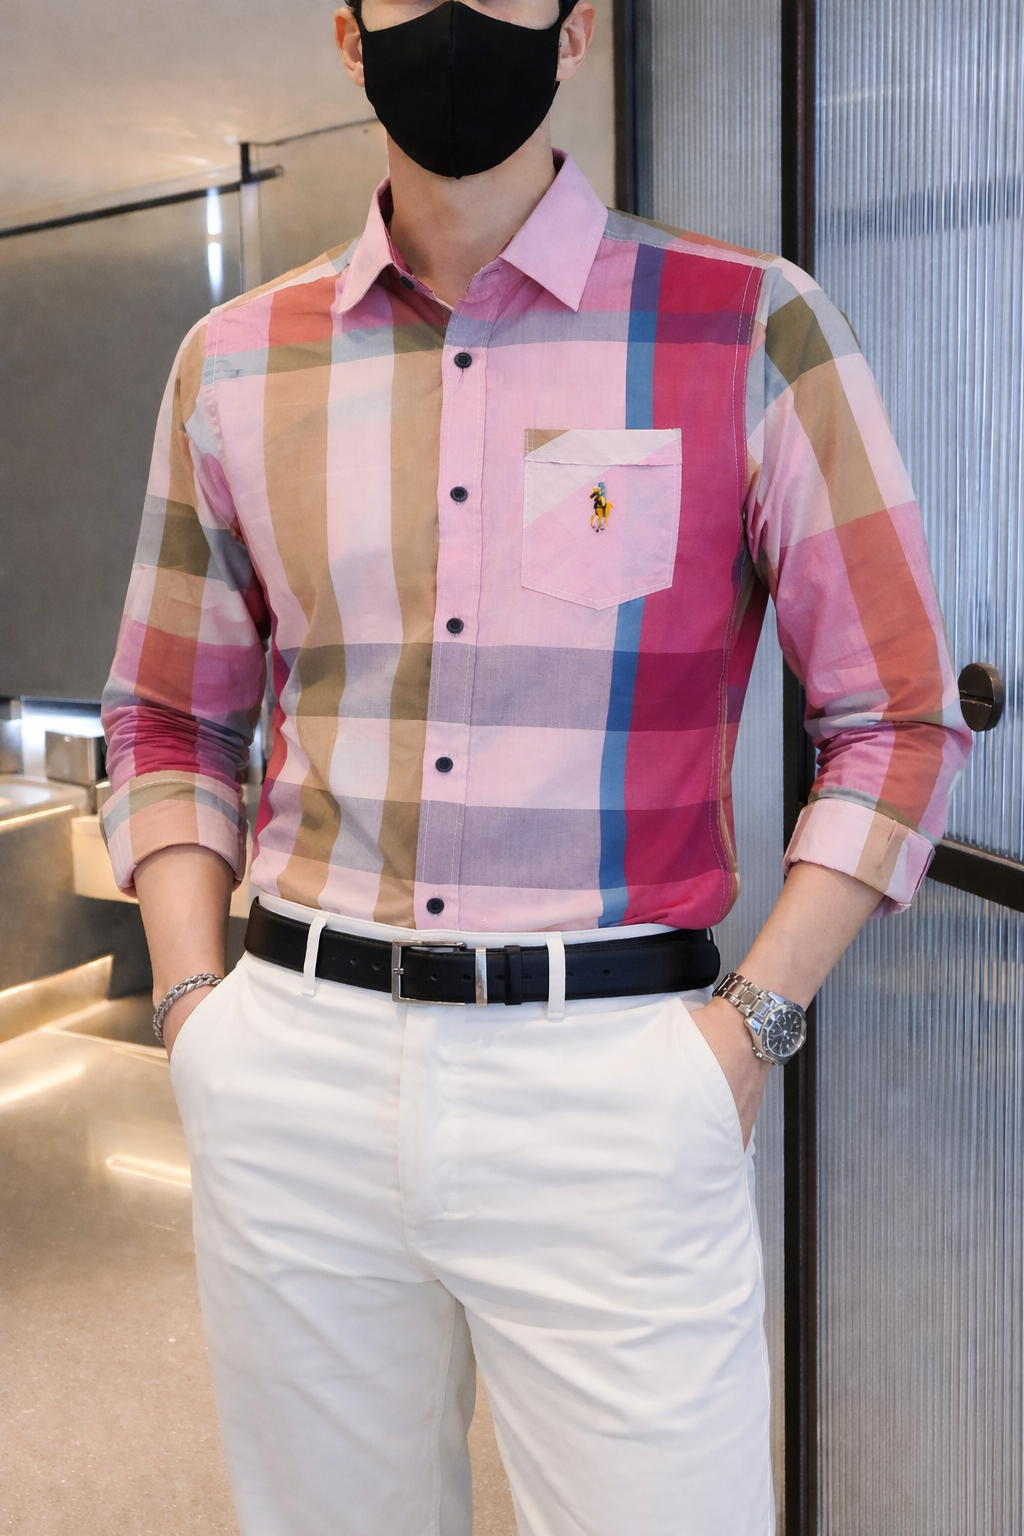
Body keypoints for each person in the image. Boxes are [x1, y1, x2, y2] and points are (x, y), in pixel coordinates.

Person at [100, 2, 972, 1532]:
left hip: (615, 1078)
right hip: (295, 1060)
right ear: (348, 35)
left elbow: (897, 716)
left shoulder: (750, 324)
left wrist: (750, 1027)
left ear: (573, 33)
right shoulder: (232, 360)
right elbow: (169, 718)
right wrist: (194, 1012)